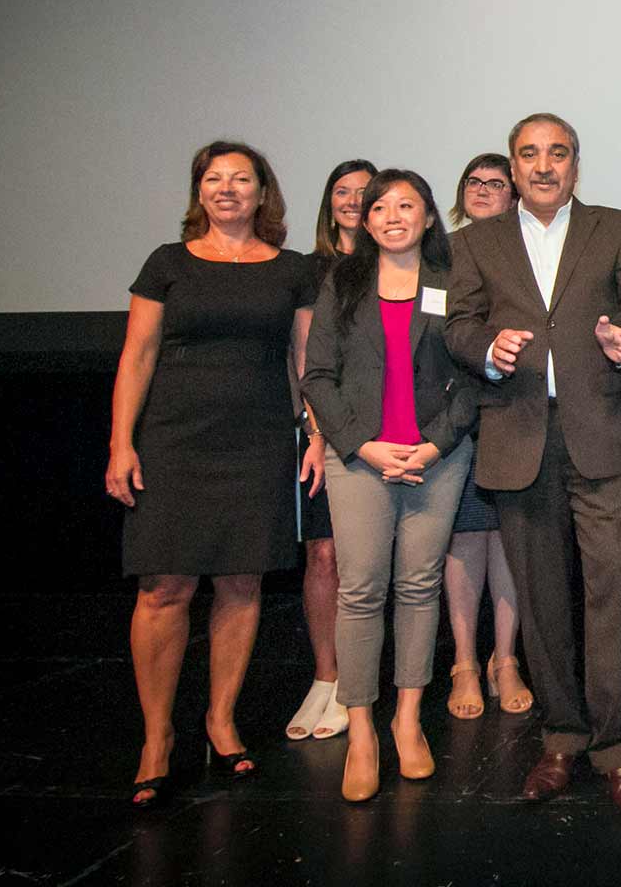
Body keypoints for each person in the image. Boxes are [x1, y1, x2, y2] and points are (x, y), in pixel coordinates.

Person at [445, 112, 621, 818]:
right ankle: (561, 739)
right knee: (540, 599)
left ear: (576, 163)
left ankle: (619, 751)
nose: (544, 166)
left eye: (558, 153)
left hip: (600, 430)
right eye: (529, 155)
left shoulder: (614, 225)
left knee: (613, 591)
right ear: (512, 166)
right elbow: (458, 324)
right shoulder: (475, 241)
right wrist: (486, 347)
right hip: (519, 433)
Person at [106, 140, 319, 806]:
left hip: (256, 442)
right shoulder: (167, 264)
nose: (227, 189)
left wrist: (314, 433)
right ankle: (157, 737)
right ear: (200, 192)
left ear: (263, 193)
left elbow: (306, 362)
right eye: (214, 179)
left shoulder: (293, 269)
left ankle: (221, 722)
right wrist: (121, 444)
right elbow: (137, 357)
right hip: (172, 442)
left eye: (241, 179)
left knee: (240, 583)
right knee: (163, 590)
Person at [301, 169, 477, 802]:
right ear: (365, 219)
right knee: (362, 590)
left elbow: (476, 374)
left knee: (419, 585)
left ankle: (406, 720)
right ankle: (361, 730)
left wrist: (434, 444)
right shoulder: (341, 282)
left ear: (430, 217)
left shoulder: (455, 281)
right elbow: (317, 375)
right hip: (360, 458)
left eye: (409, 205)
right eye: (381, 206)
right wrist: (364, 446)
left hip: (439, 456)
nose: (393, 215)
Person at [442, 153, 533, 721]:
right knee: (464, 542)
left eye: (495, 184)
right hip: (447, 422)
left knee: (510, 541)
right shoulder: (440, 254)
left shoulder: (526, 255)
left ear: (514, 196)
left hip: (512, 412)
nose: (482, 190)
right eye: (473, 181)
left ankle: (506, 659)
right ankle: (464, 662)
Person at [286, 158, 374, 743]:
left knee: (365, 564)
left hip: (378, 432)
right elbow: (306, 359)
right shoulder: (306, 270)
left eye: (365, 193)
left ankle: (357, 687)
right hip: (322, 431)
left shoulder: (391, 262)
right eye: (341, 192)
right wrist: (317, 435)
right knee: (324, 555)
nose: (352, 201)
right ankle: (325, 678)